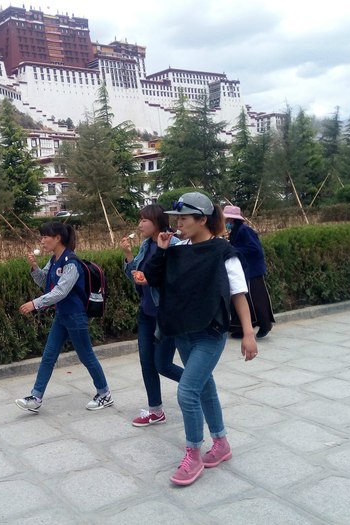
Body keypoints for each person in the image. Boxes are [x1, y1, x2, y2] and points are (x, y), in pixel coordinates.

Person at [143, 192, 258, 486]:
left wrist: (248, 333)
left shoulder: (224, 252)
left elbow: (239, 295)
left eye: (183, 218)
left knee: (187, 392)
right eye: (177, 218)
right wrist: (162, 250)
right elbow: (151, 277)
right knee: (205, 387)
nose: (178, 223)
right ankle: (221, 443)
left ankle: (193, 454)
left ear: (202, 219)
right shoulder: (176, 250)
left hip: (210, 332)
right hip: (182, 332)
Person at [16, 222, 113, 413]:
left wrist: (35, 303)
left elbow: (61, 291)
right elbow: (45, 281)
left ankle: (104, 394)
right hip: (62, 316)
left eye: (45, 237)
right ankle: (36, 397)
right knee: (48, 356)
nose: (42, 241)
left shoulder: (71, 263)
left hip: (76, 316)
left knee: (86, 356)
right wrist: (34, 267)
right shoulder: (54, 260)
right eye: (42, 236)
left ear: (57, 238)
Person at [120, 204, 183, 427]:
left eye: (144, 220)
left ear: (157, 221)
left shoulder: (173, 245)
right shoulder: (147, 245)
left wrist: (152, 279)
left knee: (162, 365)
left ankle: (199, 384)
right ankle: (155, 412)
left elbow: (179, 280)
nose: (140, 225)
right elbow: (136, 276)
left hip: (165, 315)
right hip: (146, 313)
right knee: (147, 363)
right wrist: (128, 255)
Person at [223, 205, 275, 339]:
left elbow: (254, 248)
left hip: (253, 269)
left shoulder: (245, 230)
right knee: (243, 299)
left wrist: (234, 249)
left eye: (227, 219)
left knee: (257, 299)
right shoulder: (235, 231)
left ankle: (265, 324)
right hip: (244, 269)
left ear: (232, 219)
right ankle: (240, 328)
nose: (225, 222)